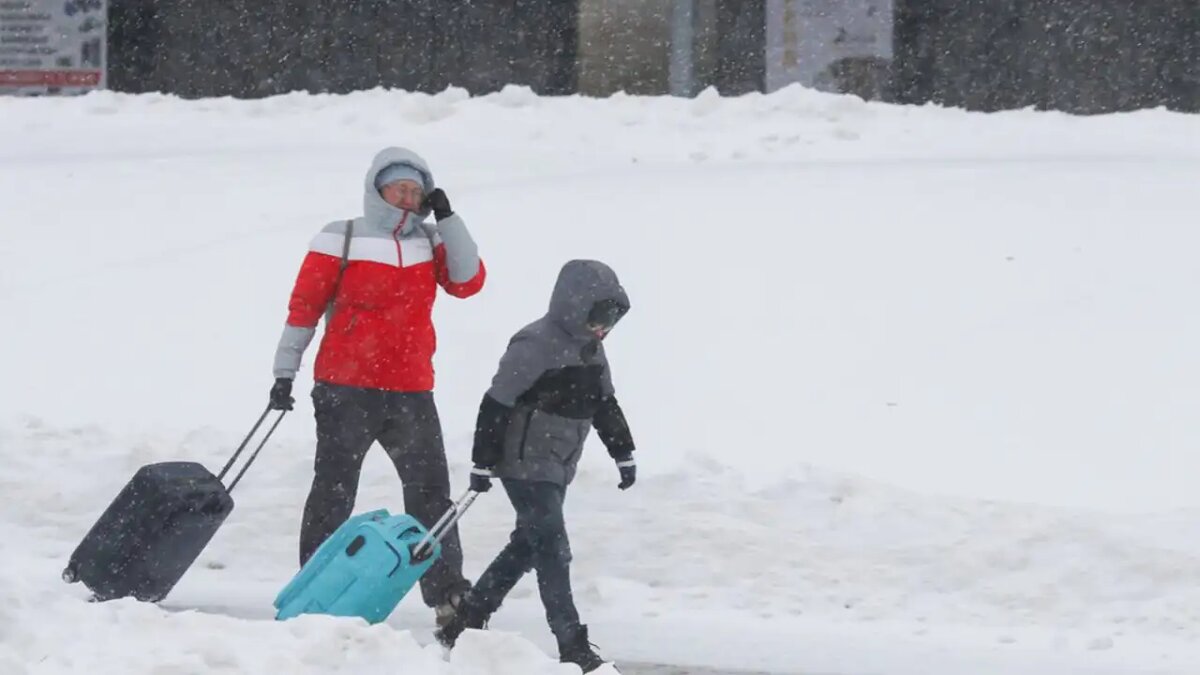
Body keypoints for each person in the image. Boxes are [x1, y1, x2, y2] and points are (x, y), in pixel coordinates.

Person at [268, 146, 485, 627]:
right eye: (398, 189)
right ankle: (316, 587)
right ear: (377, 190)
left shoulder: (432, 241)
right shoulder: (340, 236)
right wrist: (285, 372)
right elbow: (304, 308)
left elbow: (468, 281)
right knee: (334, 490)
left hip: (411, 390)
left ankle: (449, 594)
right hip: (345, 388)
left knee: (431, 493)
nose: (407, 198)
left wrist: (449, 220)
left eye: (415, 191)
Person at [435, 259, 637, 673]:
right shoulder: (534, 344)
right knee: (553, 548)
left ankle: (467, 620)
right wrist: (482, 462)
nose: (603, 328)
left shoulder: (592, 349)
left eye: (611, 320)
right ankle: (571, 644)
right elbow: (496, 403)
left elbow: (604, 403)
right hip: (523, 462)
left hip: (559, 463)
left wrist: (624, 452)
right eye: (599, 317)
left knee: (529, 543)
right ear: (575, 305)